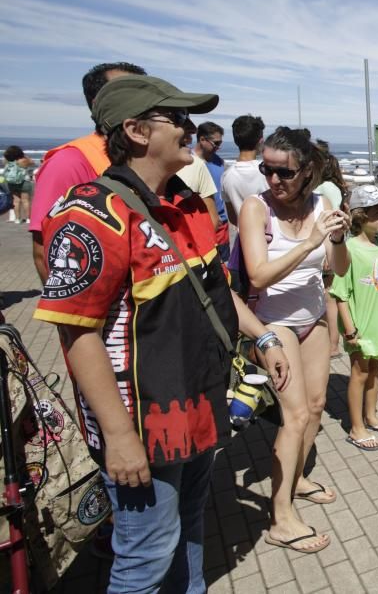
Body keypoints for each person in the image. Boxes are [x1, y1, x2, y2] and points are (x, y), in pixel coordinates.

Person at [33, 74, 291, 592]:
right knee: (144, 560)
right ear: (134, 130)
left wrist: (262, 336)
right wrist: (120, 436)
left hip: (198, 404)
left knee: (189, 531)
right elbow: (76, 332)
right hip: (141, 424)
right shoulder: (92, 214)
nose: (191, 129)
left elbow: (216, 290)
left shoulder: (190, 204)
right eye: (177, 119)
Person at [238, 126, 349, 554]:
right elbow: (258, 275)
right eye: (267, 170)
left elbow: (337, 270)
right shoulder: (255, 208)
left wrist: (336, 238)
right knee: (296, 415)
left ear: (307, 171)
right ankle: (280, 518)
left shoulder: (323, 203)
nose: (273, 180)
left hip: (313, 318)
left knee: (317, 407)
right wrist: (311, 241)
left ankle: (297, 477)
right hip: (274, 321)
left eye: (283, 172)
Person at [30, 62, 147, 281]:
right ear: (99, 104)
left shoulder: (147, 157)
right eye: (129, 92)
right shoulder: (69, 162)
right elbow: (44, 251)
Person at [332, 184, 378, 451]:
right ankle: (356, 426)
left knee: (374, 370)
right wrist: (349, 328)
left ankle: (371, 415)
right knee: (359, 373)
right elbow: (340, 294)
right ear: (361, 216)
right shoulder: (349, 249)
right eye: (377, 213)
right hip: (359, 325)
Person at [314, 140, 350, 360]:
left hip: (328, 248)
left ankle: (333, 344)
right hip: (328, 246)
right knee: (330, 296)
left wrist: (329, 251)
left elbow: (332, 219)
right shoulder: (331, 187)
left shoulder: (326, 188)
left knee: (330, 297)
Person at [195, 121, 230, 259]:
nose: (218, 147)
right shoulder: (188, 163)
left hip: (222, 227)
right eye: (216, 143)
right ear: (202, 139)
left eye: (220, 143)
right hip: (201, 226)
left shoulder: (220, 162)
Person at [3, 145, 35, 224]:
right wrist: (25, 156)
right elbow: (32, 163)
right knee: (25, 201)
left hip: (12, 182)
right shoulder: (22, 160)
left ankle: (17, 219)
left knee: (16, 201)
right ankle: (28, 219)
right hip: (24, 181)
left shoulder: (6, 161)